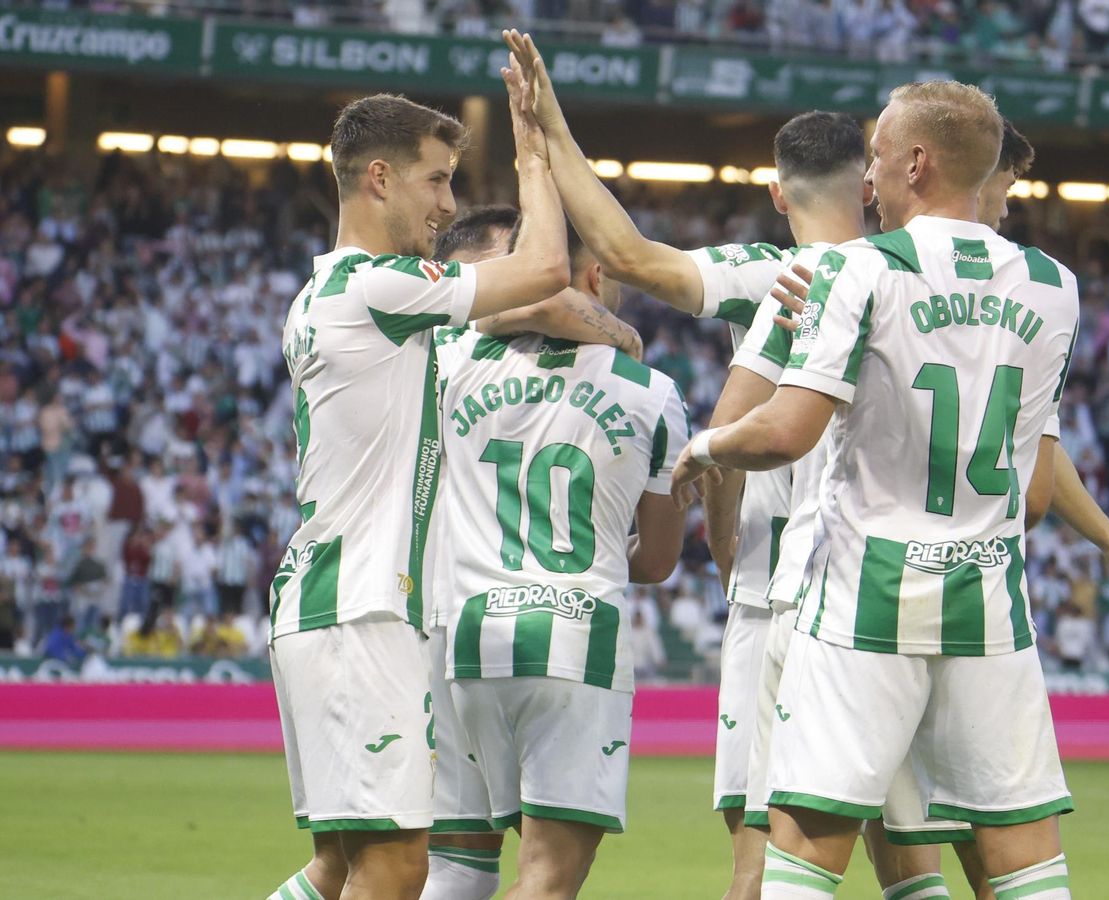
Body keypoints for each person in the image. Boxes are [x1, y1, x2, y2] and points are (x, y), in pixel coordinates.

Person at [673, 81, 1079, 899]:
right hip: (989, 600)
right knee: (1022, 856)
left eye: (882, 154)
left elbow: (786, 432)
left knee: (804, 846)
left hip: (867, 590)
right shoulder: (1054, 285)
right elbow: (1033, 491)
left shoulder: (855, 270)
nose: (871, 177)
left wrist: (705, 445)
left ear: (918, 162)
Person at [520, 44, 905, 898]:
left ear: (776, 193)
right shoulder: (908, 281)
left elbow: (624, 254)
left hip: (777, 594)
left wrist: (550, 130)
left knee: (761, 862)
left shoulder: (770, 276)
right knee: (906, 860)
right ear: (869, 186)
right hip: (892, 595)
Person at [265, 30, 571, 900]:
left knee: (338, 864)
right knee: (399, 864)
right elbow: (546, 267)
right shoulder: (377, 289)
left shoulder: (329, 292)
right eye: (436, 179)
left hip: (333, 598)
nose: (448, 202)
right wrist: (533, 147)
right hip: (362, 608)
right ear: (379, 178)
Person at [428, 217, 689, 899]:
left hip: (472, 638)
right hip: (578, 637)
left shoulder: (452, 361)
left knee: (459, 867)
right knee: (546, 880)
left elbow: (494, 305)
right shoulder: (653, 393)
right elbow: (657, 559)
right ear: (596, 277)